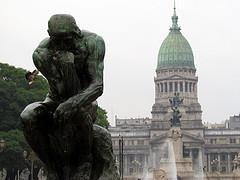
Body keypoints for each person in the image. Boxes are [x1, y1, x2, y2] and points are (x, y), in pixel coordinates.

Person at [20, 14, 105, 180]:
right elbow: (62, 90)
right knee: (27, 116)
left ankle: (84, 162)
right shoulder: (41, 53)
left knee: (77, 111)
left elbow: (97, 86)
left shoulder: (94, 43)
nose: (62, 45)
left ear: (77, 33)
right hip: (54, 99)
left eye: (67, 40)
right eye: (57, 41)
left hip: (85, 99)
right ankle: (52, 166)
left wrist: (72, 102)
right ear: (50, 36)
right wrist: (66, 67)